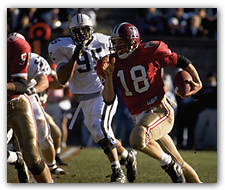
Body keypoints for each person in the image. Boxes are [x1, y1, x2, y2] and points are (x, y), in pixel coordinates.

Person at [98, 22, 202, 183]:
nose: (116, 46)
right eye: (115, 42)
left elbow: (180, 60)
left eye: (120, 42)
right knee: (181, 164)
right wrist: (109, 76)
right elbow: (109, 99)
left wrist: (197, 81)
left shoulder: (150, 50)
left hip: (159, 110)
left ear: (132, 41)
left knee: (136, 140)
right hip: (139, 116)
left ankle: (168, 164)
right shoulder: (110, 63)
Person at [48, 13, 137, 183]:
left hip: (103, 92)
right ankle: (127, 156)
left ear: (92, 29)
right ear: (71, 31)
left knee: (100, 128)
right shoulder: (62, 46)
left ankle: (117, 172)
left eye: (85, 30)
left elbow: (120, 59)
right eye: (77, 30)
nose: (81, 34)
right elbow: (62, 79)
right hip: (84, 99)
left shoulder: (104, 41)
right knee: (102, 134)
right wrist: (75, 55)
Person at [7, 33, 53, 183]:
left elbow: (21, 85)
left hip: (16, 104)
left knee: (32, 158)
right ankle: (16, 159)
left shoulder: (17, 46)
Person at [26, 52, 66, 174]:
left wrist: (53, 75)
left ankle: (55, 158)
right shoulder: (27, 79)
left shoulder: (42, 78)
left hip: (40, 109)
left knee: (56, 133)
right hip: (26, 108)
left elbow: (59, 85)